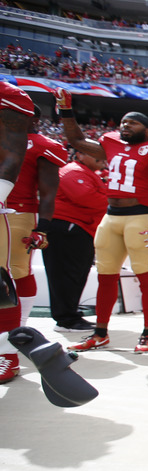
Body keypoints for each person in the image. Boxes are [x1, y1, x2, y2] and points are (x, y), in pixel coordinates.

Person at [55, 88, 148, 354]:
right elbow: (77, 140)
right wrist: (66, 111)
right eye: (123, 122)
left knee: (145, 277)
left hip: (140, 216)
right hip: (110, 217)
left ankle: (147, 334)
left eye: (132, 122)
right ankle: (100, 333)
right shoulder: (110, 142)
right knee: (105, 277)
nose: (125, 126)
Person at [3, 106, 67, 327]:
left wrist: (42, 228)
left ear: (32, 118)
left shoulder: (43, 146)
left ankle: (19, 326)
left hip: (17, 212)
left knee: (17, 269)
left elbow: (48, 193)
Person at [43, 150, 108, 332]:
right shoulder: (72, 171)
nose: (103, 158)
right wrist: (114, 200)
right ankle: (66, 319)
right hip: (68, 228)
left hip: (79, 229)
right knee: (66, 274)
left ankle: (69, 314)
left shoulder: (85, 172)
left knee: (76, 274)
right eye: (97, 153)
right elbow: (88, 199)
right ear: (79, 154)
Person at [0, 80, 35, 383]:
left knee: (2, 277)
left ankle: (6, 354)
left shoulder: (8, 96)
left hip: (12, 205)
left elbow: (13, 151)